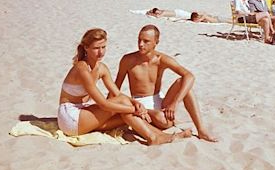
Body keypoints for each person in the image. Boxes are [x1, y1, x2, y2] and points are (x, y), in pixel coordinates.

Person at [57, 28, 191, 145]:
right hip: (70, 118)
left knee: (125, 115)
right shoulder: (81, 68)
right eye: (96, 48)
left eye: (103, 47)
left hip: (84, 114)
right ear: (86, 48)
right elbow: (103, 104)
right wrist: (134, 109)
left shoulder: (102, 68)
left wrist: (135, 103)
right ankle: (154, 137)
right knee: (124, 106)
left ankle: (158, 136)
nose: (101, 52)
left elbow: (117, 94)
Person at [115, 25, 217, 142]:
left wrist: (174, 103)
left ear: (156, 42)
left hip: (159, 100)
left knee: (183, 82)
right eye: (139, 40)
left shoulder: (161, 59)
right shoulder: (127, 60)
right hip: (139, 103)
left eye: (146, 41)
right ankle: (154, 120)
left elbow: (189, 76)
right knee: (162, 119)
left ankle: (201, 130)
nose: (141, 44)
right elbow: (115, 88)